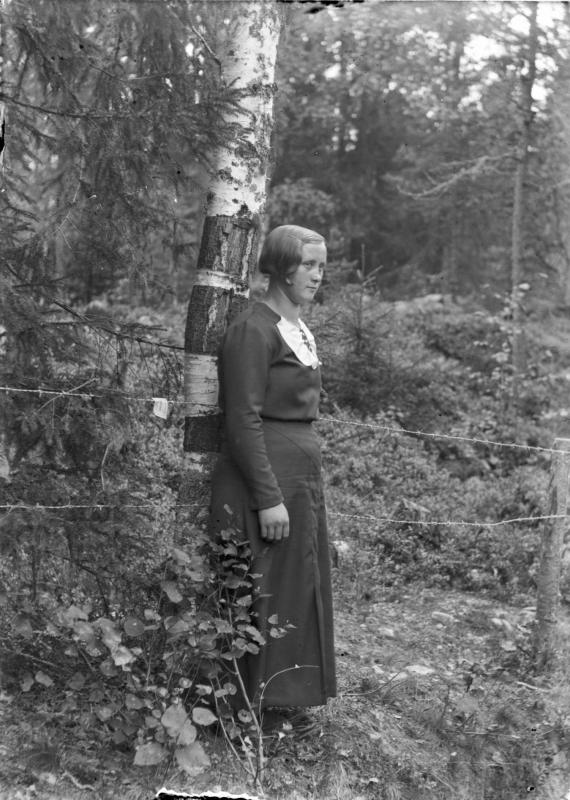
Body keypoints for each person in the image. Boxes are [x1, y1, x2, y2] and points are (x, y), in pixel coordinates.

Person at [209, 224, 336, 728]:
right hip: (265, 481)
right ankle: (243, 711)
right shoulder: (253, 329)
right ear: (282, 267)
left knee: (294, 586)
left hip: (297, 479)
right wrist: (268, 497)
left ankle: (280, 701)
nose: (317, 275)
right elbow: (242, 419)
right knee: (259, 591)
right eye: (308, 265)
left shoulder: (295, 328)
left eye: (321, 266)